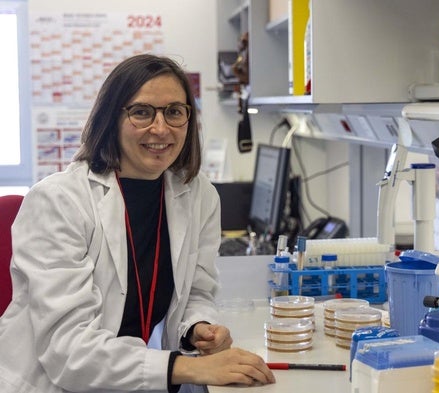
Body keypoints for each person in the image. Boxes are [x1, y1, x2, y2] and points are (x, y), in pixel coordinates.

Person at [0, 54, 275, 393]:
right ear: (111, 118)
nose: (161, 129)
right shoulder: (59, 201)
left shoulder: (198, 194)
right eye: (142, 112)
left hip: (125, 377)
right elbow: (69, 352)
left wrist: (197, 327)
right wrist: (188, 367)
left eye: (174, 111)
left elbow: (197, 289)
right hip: (51, 383)